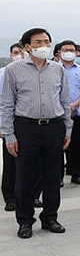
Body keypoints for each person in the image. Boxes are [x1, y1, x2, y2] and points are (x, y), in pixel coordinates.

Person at [1, 28, 73, 239]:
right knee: (25, 177)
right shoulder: (13, 70)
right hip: (26, 127)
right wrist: (9, 135)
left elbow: (64, 101)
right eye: (38, 42)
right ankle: (25, 221)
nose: (44, 45)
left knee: (52, 176)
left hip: (54, 127)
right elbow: (6, 105)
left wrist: (67, 129)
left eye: (47, 41)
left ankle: (50, 217)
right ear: (27, 46)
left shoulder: (57, 70)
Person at [55, 40, 80, 185]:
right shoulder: (54, 69)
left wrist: (74, 106)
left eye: (72, 50)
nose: (69, 53)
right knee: (57, 146)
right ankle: (58, 176)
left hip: (78, 113)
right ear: (59, 53)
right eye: (65, 50)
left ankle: (76, 173)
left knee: (76, 145)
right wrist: (64, 109)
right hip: (57, 114)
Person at [1, 43, 26, 212]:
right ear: (11, 55)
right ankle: (10, 198)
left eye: (21, 52)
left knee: (31, 164)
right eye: (15, 53)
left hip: (28, 124)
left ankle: (31, 195)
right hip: (10, 122)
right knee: (11, 163)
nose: (18, 55)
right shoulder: (4, 73)